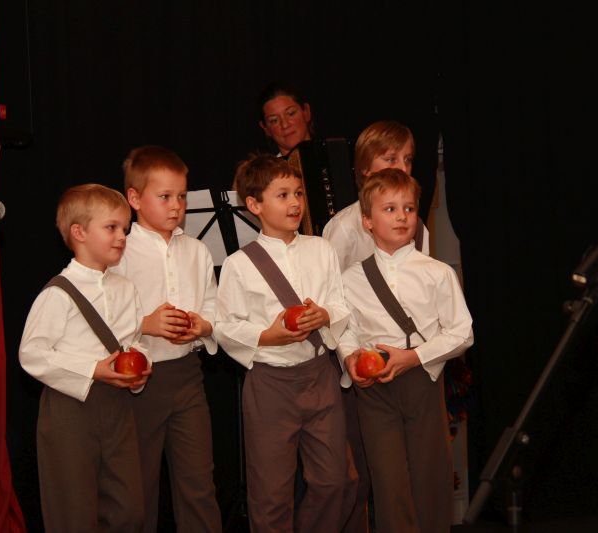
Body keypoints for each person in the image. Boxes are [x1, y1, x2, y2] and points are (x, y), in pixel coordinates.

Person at [214, 154, 354, 532]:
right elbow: (225, 326)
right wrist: (267, 336)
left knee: (334, 482)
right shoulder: (239, 264)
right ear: (254, 204)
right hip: (270, 384)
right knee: (271, 494)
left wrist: (324, 315)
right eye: (283, 195)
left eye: (298, 193)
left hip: (320, 376)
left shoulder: (321, 249)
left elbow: (340, 304)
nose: (295, 203)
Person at [338, 168, 474, 533]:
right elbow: (346, 330)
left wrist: (413, 357)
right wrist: (350, 359)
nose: (402, 216)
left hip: (423, 382)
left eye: (409, 209)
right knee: (388, 484)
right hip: (374, 390)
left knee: (431, 479)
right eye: (390, 209)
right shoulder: (350, 278)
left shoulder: (437, 272)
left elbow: (462, 333)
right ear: (367, 221)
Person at [19, 183, 151, 532]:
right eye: (111, 227)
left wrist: (141, 368)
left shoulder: (126, 289)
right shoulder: (58, 293)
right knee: (73, 511)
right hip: (70, 410)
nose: (121, 236)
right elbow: (32, 354)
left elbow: (135, 342)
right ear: (79, 233)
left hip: (117, 408)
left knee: (128, 510)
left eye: (125, 228)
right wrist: (92, 369)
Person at [112, 145, 222, 533]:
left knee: (198, 483)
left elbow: (213, 306)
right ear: (134, 198)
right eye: (165, 196)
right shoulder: (120, 251)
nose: (176, 206)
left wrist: (202, 326)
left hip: (188, 376)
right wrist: (145, 323)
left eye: (181, 196)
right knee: (138, 487)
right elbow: (102, 317)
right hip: (138, 380)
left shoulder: (197, 250)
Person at [323, 120, 430, 272]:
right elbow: (329, 282)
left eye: (408, 160)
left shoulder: (417, 227)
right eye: (391, 159)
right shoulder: (345, 227)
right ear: (365, 167)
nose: (403, 168)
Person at [258, 81, 313, 156]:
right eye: (274, 120)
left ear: (306, 112)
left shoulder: (330, 155)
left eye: (291, 113)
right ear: (266, 128)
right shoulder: (264, 165)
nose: (285, 125)